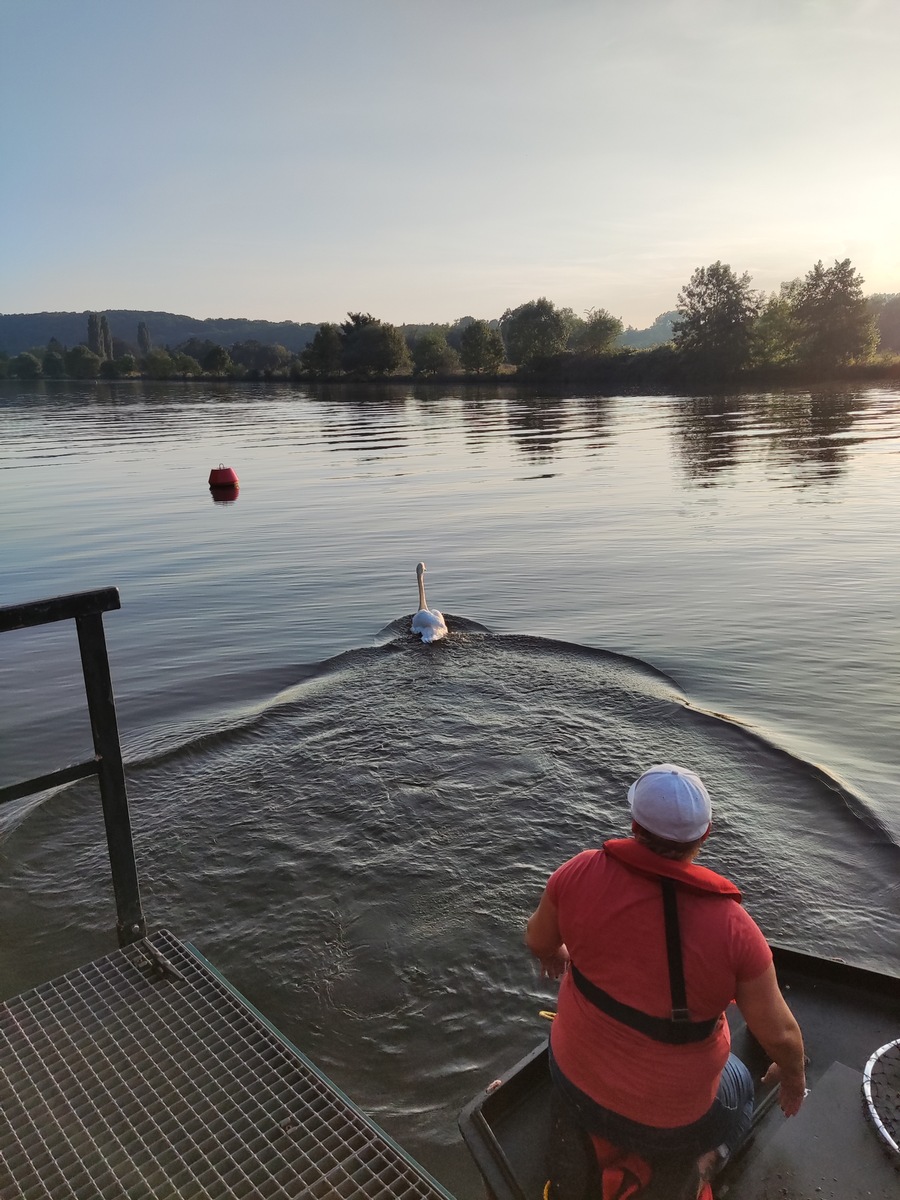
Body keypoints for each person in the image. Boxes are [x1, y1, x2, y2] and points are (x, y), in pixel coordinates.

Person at [525, 763, 806, 1193]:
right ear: (705, 835)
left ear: (634, 825)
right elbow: (782, 1037)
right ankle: (703, 1164)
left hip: (571, 1083)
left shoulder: (578, 873)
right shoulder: (736, 930)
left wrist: (556, 954)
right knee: (744, 1086)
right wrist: (793, 1079)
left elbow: (538, 939)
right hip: (673, 1123)